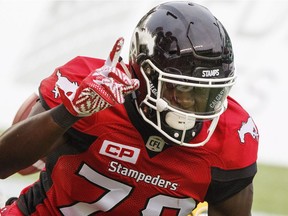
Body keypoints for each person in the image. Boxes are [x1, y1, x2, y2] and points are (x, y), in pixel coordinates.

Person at [0, 1, 259, 215]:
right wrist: (70, 111)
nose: (194, 104)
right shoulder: (91, 92)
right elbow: (6, 164)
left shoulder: (230, 136)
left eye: (208, 93)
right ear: (146, 76)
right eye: (182, 89)